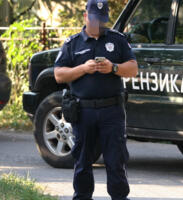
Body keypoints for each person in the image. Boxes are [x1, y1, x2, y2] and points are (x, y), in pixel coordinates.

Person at [53, 0, 138, 199]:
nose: (98, 24)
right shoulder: (73, 43)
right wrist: (82, 69)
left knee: (115, 161)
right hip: (83, 112)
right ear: (85, 17)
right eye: (94, 19)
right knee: (82, 162)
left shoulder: (117, 39)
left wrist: (114, 68)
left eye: (102, 20)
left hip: (112, 111)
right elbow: (59, 75)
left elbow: (133, 69)